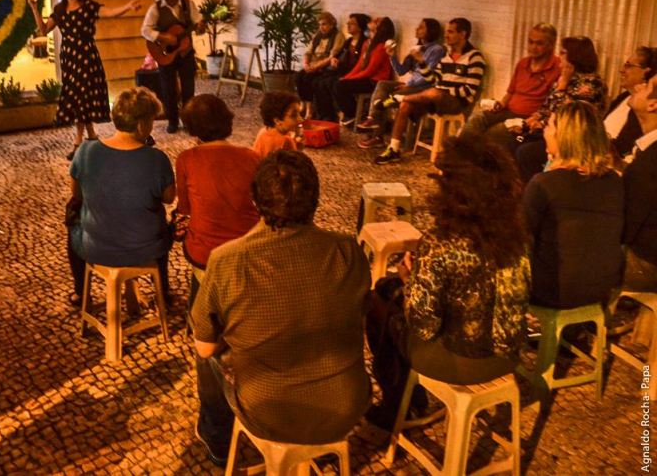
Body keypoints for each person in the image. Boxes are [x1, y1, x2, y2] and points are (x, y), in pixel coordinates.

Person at [190, 150, 371, 465]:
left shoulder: (227, 260)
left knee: (206, 357)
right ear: (315, 199)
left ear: (255, 202)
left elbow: (205, 347)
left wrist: (236, 337)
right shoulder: (347, 250)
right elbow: (357, 314)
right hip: (346, 407)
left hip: (268, 412)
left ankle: (217, 439)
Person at [364, 133, 531, 430]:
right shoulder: (516, 234)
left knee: (379, 305)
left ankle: (398, 405)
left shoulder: (441, 243)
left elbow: (423, 326)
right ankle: (405, 397)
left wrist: (410, 280)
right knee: (387, 288)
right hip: (508, 354)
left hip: (463, 362)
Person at [68, 87, 176, 305]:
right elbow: (168, 198)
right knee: (163, 223)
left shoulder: (85, 152)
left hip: (95, 247)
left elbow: (76, 193)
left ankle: (81, 293)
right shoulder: (157, 159)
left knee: (73, 219)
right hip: (146, 248)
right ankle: (163, 291)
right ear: (141, 125)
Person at [27, 0, 142, 159]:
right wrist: (34, 8)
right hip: (69, 58)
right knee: (79, 95)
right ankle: (92, 136)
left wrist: (128, 6)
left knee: (82, 95)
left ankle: (78, 141)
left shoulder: (89, 6)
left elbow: (110, 12)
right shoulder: (60, 9)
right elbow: (44, 29)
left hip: (87, 57)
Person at [523, 101, 623, 309]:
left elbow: (521, 237)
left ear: (564, 135)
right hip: (600, 290)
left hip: (553, 292)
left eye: (549, 125)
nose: (544, 131)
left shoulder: (544, 184)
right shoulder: (614, 181)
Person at [176, 94, 260, 302]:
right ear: (227, 119)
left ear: (191, 128)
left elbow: (185, 209)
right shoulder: (251, 157)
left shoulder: (185, 159)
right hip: (247, 246)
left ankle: (202, 309)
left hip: (204, 252)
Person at [374, 18, 486, 164]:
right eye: (446, 32)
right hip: (436, 98)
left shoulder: (475, 58)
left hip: (457, 102)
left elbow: (469, 90)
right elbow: (434, 79)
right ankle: (394, 149)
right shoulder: (447, 57)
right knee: (406, 105)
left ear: (463, 34)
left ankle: (398, 98)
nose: (446, 36)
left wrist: (441, 91)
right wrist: (421, 62)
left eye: (450, 32)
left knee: (434, 92)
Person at [514, 36, 609, 182]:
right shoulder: (569, 77)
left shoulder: (592, 83)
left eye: (563, 53)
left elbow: (566, 114)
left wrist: (563, 85)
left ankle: (534, 189)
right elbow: (548, 106)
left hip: (572, 139)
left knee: (525, 152)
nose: (559, 57)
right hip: (552, 130)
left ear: (575, 56)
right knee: (511, 141)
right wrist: (532, 119)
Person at [461, 23, 561, 148]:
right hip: (509, 111)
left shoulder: (558, 67)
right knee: (477, 118)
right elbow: (510, 93)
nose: (533, 47)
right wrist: (500, 104)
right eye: (530, 42)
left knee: (495, 132)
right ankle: (460, 153)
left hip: (530, 117)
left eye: (539, 43)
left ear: (551, 45)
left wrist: (533, 120)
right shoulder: (523, 63)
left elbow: (554, 103)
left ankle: (476, 157)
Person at [357, 18, 445, 149]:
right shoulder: (418, 48)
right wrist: (392, 55)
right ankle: (372, 119)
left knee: (390, 97)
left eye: (421, 27)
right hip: (411, 85)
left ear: (431, 31)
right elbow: (401, 70)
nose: (417, 29)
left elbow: (429, 77)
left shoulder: (437, 49)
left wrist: (410, 85)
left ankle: (377, 135)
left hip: (425, 89)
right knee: (383, 84)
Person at [140, 0, 207, 134]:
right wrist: (164, 37)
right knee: (168, 88)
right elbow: (145, 30)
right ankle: (172, 121)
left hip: (186, 53)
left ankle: (188, 121)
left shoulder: (188, 4)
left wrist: (201, 28)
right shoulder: (155, 9)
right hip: (165, 54)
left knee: (188, 88)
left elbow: (198, 23)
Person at [318, 17, 395, 124]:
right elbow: (359, 66)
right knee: (334, 83)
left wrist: (348, 79)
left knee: (339, 85)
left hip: (375, 81)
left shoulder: (381, 47)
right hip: (366, 77)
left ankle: (353, 114)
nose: (374, 20)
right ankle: (348, 113)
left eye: (377, 21)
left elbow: (370, 71)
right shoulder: (368, 43)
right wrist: (346, 77)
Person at [622, 75, 657, 292]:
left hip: (647, 264)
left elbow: (626, 225)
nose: (638, 86)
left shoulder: (650, 162)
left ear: (653, 104)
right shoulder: (648, 151)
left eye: (646, 86)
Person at [313, 13, 370, 120]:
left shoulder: (364, 42)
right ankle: (325, 115)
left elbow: (359, 64)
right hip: (342, 69)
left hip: (352, 72)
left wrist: (340, 67)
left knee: (332, 83)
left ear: (360, 27)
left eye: (352, 24)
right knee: (319, 81)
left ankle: (350, 113)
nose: (348, 25)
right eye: (348, 23)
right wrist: (334, 60)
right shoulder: (349, 41)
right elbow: (339, 55)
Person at [604, 46, 656, 160]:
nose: (621, 70)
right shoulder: (623, 97)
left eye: (628, 66)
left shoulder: (642, 108)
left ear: (646, 72)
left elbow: (623, 148)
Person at [295, 12, 345, 119]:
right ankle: (303, 103)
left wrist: (316, 67)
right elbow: (308, 52)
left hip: (325, 67)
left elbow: (332, 56)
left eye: (324, 24)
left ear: (332, 24)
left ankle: (310, 109)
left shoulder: (338, 36)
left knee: (308, 78)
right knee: (299, 76)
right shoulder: (318, 35)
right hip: (313, 64)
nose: (321, 27)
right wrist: (306, 64)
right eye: (320, 24)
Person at [252, 91, 304, 159]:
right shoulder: (287, 141)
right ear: (277, 121)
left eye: (300, 113)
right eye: (294, 115)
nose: (300, 119)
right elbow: (296, 163)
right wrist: (299, 150)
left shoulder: (263, 132)